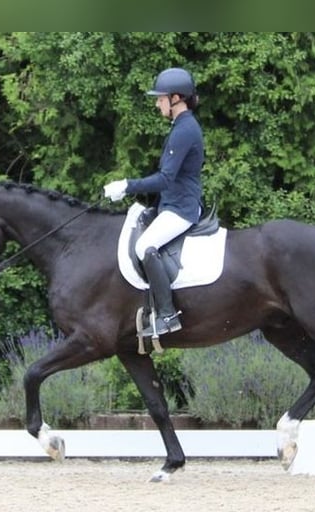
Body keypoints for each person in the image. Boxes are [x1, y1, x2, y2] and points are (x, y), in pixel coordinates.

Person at [104, 67, 204, 337]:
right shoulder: (181, 126)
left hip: (182, 207)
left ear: (176, 98)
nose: (157, 103)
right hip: (173, 203)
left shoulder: (185, 129)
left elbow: (166, 178)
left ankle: (168, 315)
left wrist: (127, 186)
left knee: (145, 246)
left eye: (160, 98)